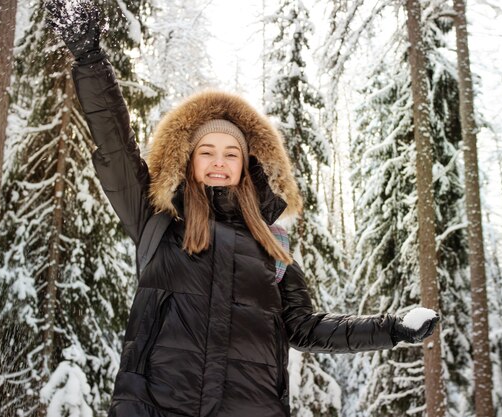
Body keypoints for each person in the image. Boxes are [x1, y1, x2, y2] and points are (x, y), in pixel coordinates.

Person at [46, 2, 440, 416]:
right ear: (189, 159)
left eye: (231, 154)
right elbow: (114, 145)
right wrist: (90, 58)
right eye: (208, 152)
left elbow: (304, 328)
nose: (219, 162)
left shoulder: (272, 247)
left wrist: (392, 328)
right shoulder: (159, 221)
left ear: (246, 166)